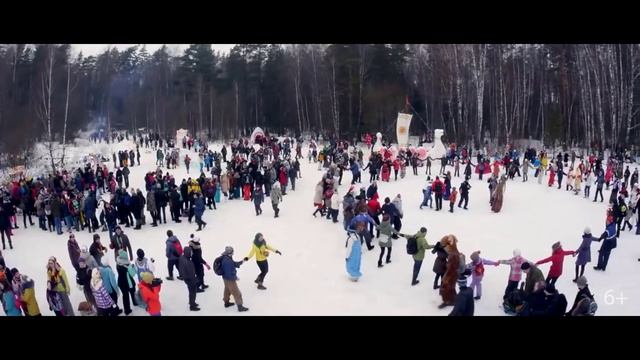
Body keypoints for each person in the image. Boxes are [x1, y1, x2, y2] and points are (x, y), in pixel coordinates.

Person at [219, 246, 249, 312]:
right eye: (233, 251)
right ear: (230, 252)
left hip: (225, 278)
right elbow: (229, 272)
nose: (233, 252)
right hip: (230, 279)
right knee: (237, 293)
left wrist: (242, 261)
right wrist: (235, 277)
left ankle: (226, 303)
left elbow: (233, 264)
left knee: (227, 290)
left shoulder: (226, 257)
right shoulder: (227, 261)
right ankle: (240, 307)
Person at [116, 250, 138, 315]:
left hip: (121, 282)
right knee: (132, 290)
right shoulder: (128, 265)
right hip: (128, 282)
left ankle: (127, 310)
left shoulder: (118, 263)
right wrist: (133, 268)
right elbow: (133, 274)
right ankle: (134, 302)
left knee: (125, 296)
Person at [178, 246, 199, 311]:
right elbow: (191, 274)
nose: (192, 253)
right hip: (190, 280)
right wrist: (196, 279)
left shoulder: (182, 257)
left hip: (186, 279)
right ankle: (192, 306)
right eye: (191, 252)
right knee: (193, 292)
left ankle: (191, 302)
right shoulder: (188, 262)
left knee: (190, 292)